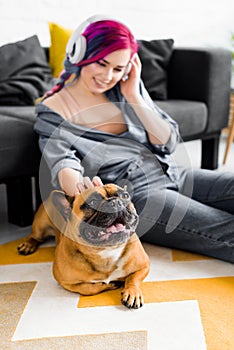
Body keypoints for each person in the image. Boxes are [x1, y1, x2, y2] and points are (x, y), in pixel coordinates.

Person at [34, 15, 234, 263]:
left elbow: (168, 142)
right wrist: (80, 188)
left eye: (118, 68)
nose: (108, 76)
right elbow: (62, 162)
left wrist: (134, 97)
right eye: (101, 64)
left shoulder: (125, 87)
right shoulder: (53, 111)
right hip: (137, 195)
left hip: (173, 173)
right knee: (224, 227)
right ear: (79, 54)